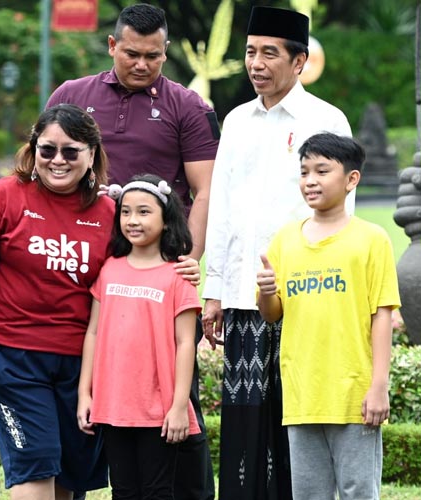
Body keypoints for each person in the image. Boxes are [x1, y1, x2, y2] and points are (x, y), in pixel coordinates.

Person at [0, 104, 200, 500]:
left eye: (71, 151)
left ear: (92, 155)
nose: (58, 161)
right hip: (13, 356)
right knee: (36, 460)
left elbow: (142, 261)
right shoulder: (3, 197)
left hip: (83, 364)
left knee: (71, 474)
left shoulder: (108, 212)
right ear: (33, 150)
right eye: (47, 150)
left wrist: (184, 270)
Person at [47, 5, 219, 497]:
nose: (142, 64)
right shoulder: (73, 96)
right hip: (81, 267)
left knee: (171, 383)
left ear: (165, 52)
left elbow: (203, 190)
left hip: (154, 270)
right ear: (111, 46)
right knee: (82, 378)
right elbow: (50, 166)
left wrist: (187, 259)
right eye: (131, 54)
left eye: (154, 56)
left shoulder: (187, 105)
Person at [201, 6, 352, 500]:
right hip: (245, 297)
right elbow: (222, 208)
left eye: (270, 53)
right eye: (250, 52)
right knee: (245, 428)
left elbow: (338, 215)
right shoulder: (238, 121)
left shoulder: (326, 120)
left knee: (296, 421)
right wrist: (215, 291)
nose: (256, 63)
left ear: (300, 60)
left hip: (305, 297)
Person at [256, 132, 400, 500]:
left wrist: (378, 386)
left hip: (354, 396)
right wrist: (267, 291)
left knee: (358, 491)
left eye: (322, 171)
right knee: (308, 494)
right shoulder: (286, 240)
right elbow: (272, 315)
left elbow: (381, 315)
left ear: (352, 179)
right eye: (304, 172)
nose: (310, 181)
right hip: (303, 395)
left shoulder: (371, 239)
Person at [78, 174, 202, 499]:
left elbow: (186, 343)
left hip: (158, 411)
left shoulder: (178, 276)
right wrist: (85, 393)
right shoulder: (109, 270)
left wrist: (179, 406)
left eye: (144, 212)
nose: (133, 220)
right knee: (123, 491)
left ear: (166, 220)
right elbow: (93, 331)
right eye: (126, 211)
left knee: (157, 491)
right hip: (113, 405)